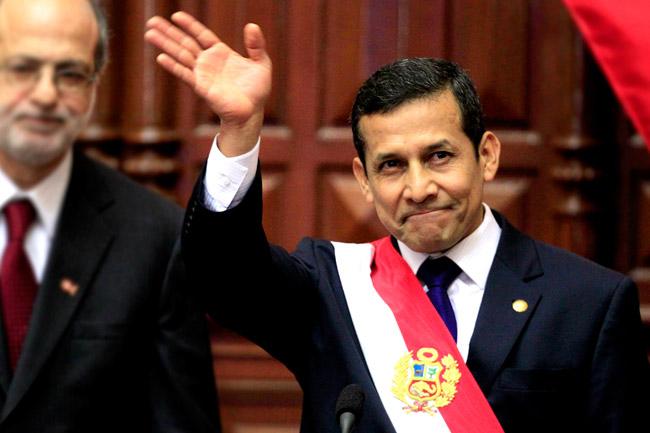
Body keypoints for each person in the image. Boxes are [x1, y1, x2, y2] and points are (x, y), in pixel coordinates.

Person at [145, 11, 650, 433]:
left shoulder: (588, 303)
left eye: (439, 156)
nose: (419, 187)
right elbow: (222, 274)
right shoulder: (329, 287)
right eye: (391, 165)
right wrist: (239, 131)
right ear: (363, 180)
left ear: (487, 156)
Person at [0, 1, 220, 432]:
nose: (46, 95)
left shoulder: (155, 236)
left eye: (70, 74)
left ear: (94, 85)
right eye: (23, 68)